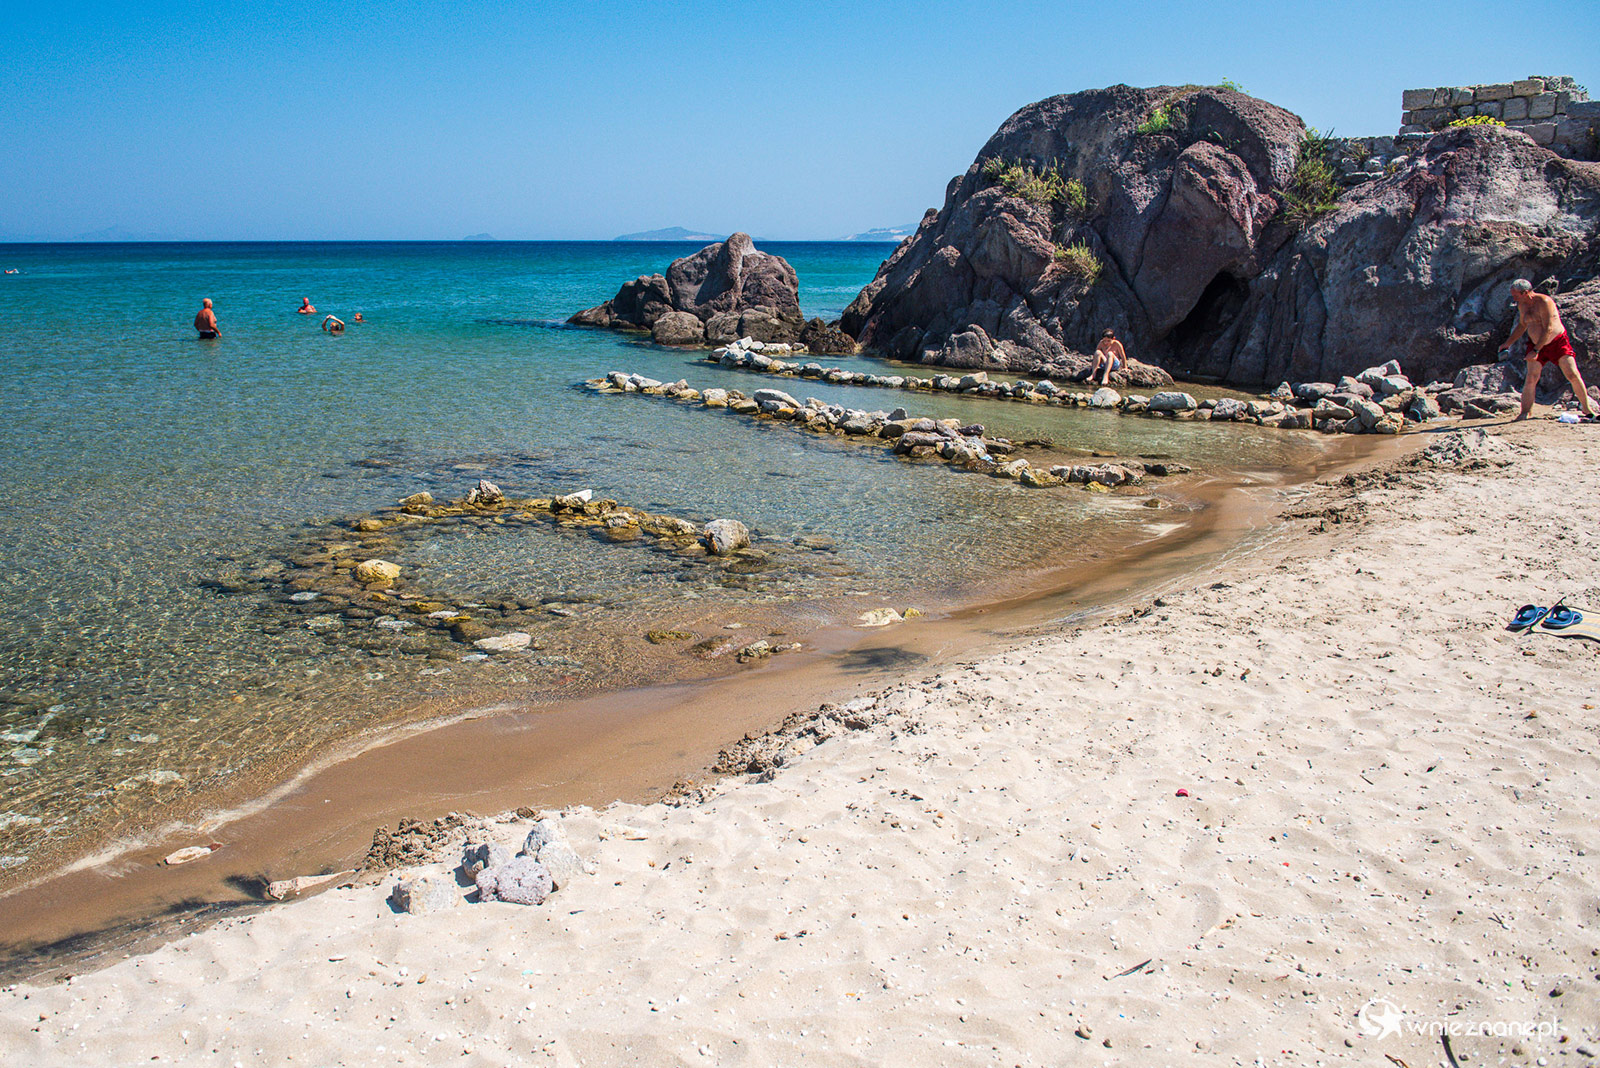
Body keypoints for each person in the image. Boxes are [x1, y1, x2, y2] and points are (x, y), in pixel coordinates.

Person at [1501, 278, 1595, 420]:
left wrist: (1536, 350)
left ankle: (1587, 409)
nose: (1513, 298)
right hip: (1535, 344)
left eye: (1516, 295)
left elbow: (1548, 328)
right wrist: (1508, 343)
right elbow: (1522, 325)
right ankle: (1525, 412)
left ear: (1525, 292)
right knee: (1531, 377)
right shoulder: (1522, 305)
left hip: (1556, 342)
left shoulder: (1544, 302)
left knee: (1572, 374)